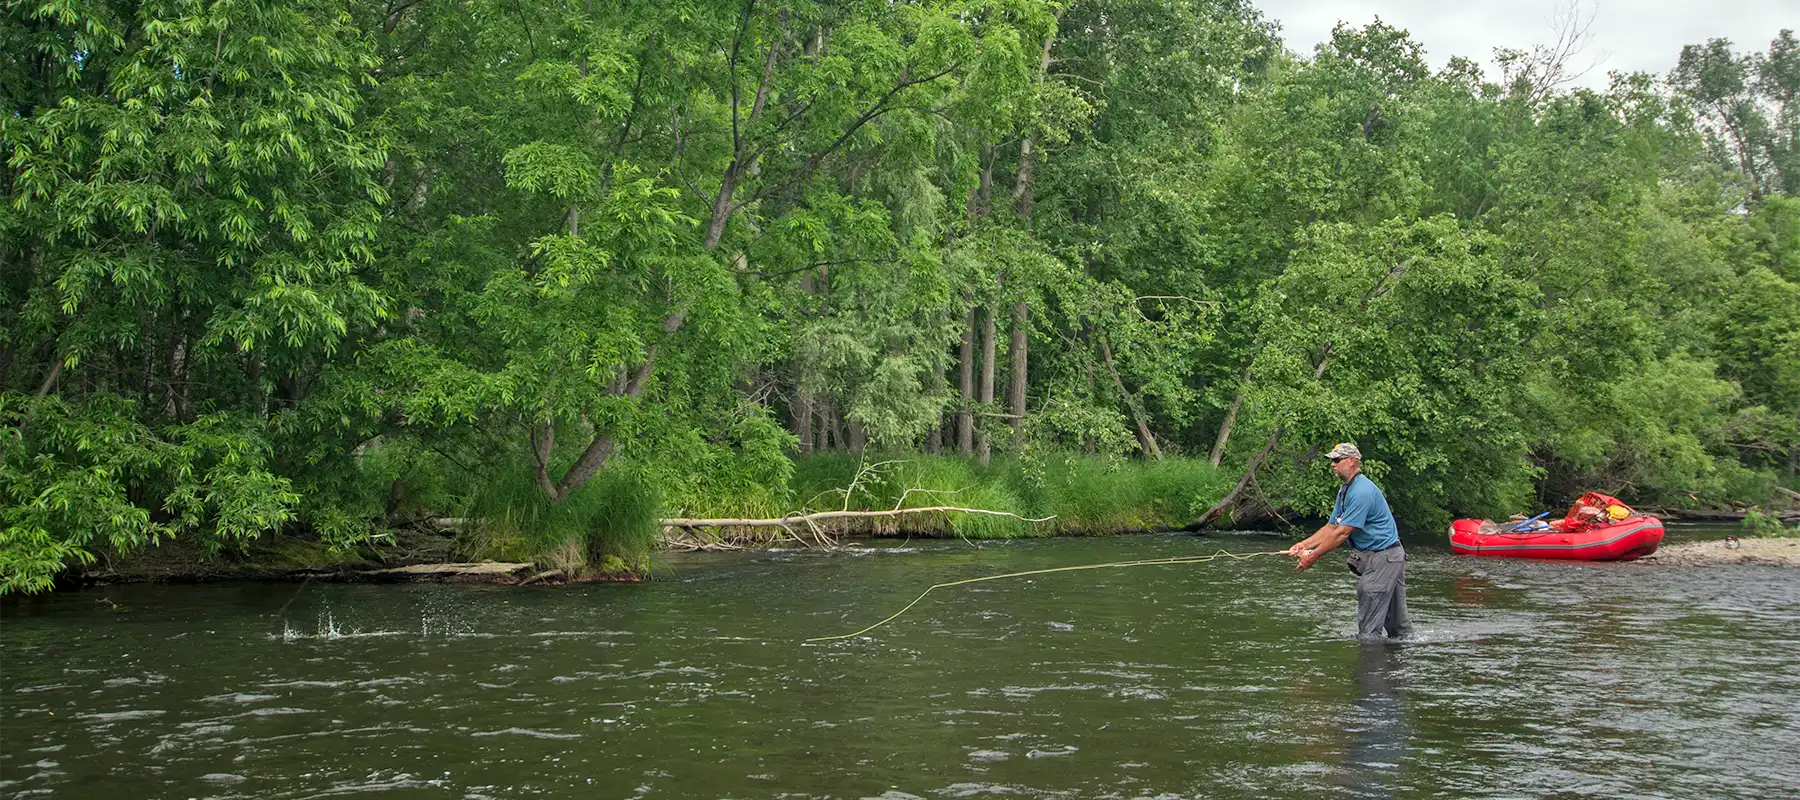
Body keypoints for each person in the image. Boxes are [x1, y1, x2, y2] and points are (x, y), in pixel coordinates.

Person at [1285, 442, 1411, 641]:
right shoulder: (1346, 490)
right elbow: (1331, 528)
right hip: (1389, 556)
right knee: (1399, 630)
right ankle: (1403, 659)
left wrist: (1313, 556)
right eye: (1332, 461)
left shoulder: (1362, 491)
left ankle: (1370, 658)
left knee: (1369, 622)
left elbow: (1342, 533)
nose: (1332, 465)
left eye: (1337, 460)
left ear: (1352, 461)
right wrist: (1304, 545)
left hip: (1385, 557)